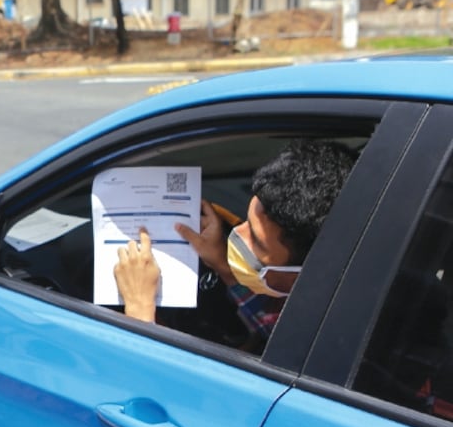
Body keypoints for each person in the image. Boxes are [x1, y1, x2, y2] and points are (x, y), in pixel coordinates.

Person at [114, 139, 357, 345]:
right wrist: (224, 266)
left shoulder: (325, 342)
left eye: (257, 242)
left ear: (306, 274)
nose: (236, 234)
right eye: (246, 220)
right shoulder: (333, 294)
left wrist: (139, 311)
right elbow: (269, 325)